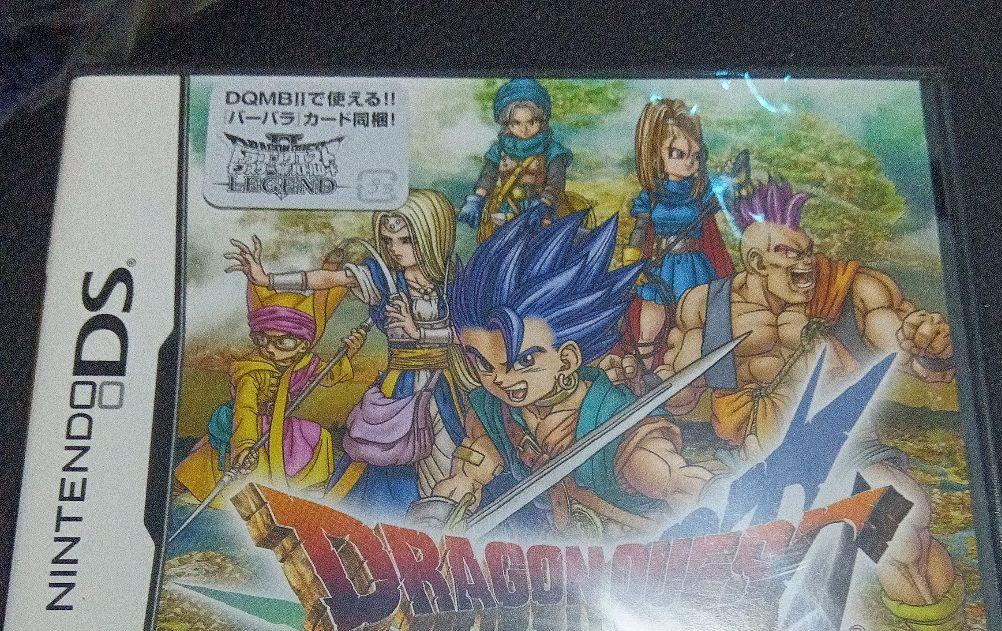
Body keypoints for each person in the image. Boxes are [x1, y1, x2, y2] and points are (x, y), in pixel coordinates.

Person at [617, 176, 989, 631]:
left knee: (901, 521)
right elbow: (679, 392)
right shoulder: (706, 307)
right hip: (750, 467)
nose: (805, 264)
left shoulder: (850, 289)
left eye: (807, 251)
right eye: (787, 255)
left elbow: (899, 340)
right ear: (754, 262)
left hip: (847, 456)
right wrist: (644, 380)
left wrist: (926, 345)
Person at [408, 211, 719, 538]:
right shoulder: (495, 412)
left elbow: (668, 475)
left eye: (524, 361)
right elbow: (468, 474)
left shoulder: (612, 418)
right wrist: (445, 508)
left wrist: (687, 487)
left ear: (567, 359)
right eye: (484, 365)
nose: (500, 379)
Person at [225, 189, 472, 521]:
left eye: (406, 240)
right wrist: (267, 279)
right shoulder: (383, 278)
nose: (395, 249)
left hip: (444, 387)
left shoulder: (453, 281)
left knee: (448, 460)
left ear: (432, 235)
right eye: (389, 241)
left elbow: (467, 336)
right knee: (384, 459)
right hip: (399, 387)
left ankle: (444, 527)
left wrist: (420, 333)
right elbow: (328, 278)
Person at [173, 277, 365, 504]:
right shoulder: (252, 371)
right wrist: (245, 445)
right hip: (249, 426)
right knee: (252, 461)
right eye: (263, 340)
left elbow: (328, 375)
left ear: (303, 345)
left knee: (319, 436)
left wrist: (347, 354)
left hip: (280, 424)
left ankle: (307, 490)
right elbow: (245, 409)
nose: (271, 350)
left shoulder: (303, 363)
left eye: (282, 342)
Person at [618, 98, 733, 381]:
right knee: (648, 327)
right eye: (678, 154)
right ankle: (644, 377)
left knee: (691, 326)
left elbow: (719, 221)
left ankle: (687, 376)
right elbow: (640, 231)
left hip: (694, 267)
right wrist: (632, 264)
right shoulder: (651, 197)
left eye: (695, 156)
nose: (689, 163)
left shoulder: (701, 194)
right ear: (656, 154)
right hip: (659, 267)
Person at [457, 78, 581, 242]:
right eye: (516, 123)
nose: (524, 129)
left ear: (542, 120)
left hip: (542, 210)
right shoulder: (499, 149)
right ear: (506, 123)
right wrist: (476, 200)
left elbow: (556, 182)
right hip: (506, 211)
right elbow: (488, 176)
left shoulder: (552, 150)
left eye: (531, 122)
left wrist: (544, 205)